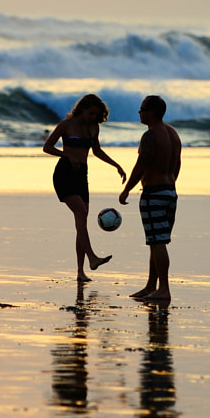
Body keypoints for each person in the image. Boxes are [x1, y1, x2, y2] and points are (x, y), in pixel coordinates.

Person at [43, 94, 127, 282]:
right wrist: (66, 156)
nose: (92, 117)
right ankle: (92, 257)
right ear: (82, 109)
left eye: (96, 115)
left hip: (82, 175)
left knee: (81, 221)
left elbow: (96, 150)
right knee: (81, 213)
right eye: (90, 113)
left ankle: (81, 272)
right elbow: (47, 147)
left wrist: (116, 165)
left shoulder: (94, 127)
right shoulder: (66, 125)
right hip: (64, 174)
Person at [119, 95, 182, 301]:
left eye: (142, 109)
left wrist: (127, 189)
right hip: (170, 192)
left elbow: (141, 165)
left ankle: (163, 288)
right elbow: (176, 166)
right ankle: (150, 286)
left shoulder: (151, 135)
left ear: (152, 112)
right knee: (156, 242)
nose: (140, 112)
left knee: (158, 242)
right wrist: (169, 188)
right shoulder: (173, 134)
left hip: (154, 193)